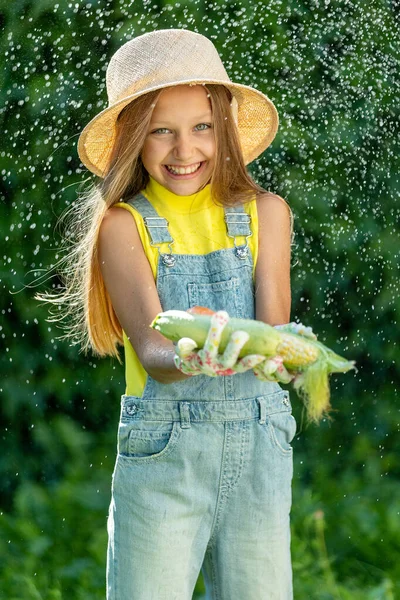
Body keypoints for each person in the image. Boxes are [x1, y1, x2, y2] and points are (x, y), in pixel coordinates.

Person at [40, 28, 314, 600]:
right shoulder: (124, 226)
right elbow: (155, 353)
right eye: (161, 130)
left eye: (201, 128)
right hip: (164, 454)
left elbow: (275, 345)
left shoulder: (268, 214)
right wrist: (203, 350)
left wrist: (291, 354)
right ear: (134, 140)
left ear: (225, 131)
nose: (184, 149)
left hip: (259, 450)